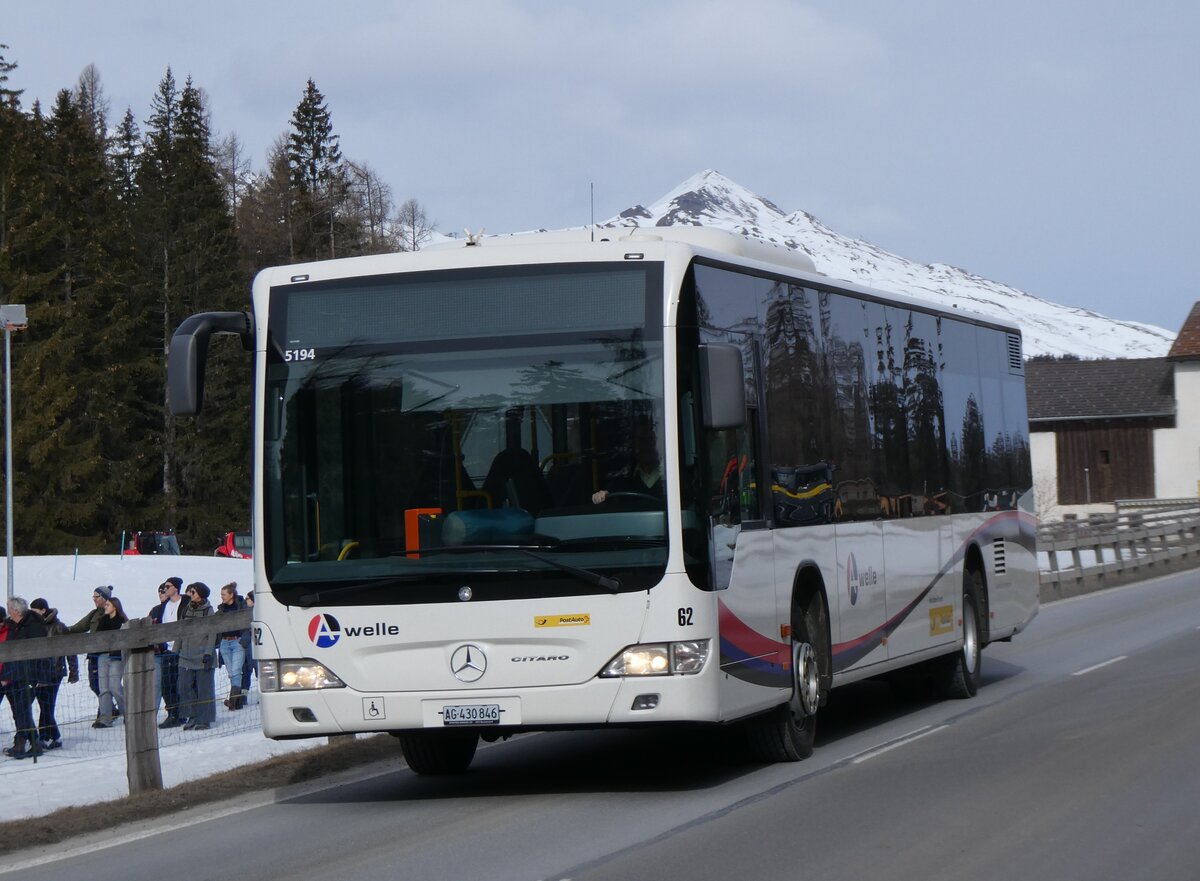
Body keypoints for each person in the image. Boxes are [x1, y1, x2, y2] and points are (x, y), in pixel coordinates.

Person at [2, 597, 51, 759]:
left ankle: (27, 744)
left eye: (10, 609)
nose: (8, 612)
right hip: (14, 676)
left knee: (22, 711)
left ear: (16, 611)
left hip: (28, 676)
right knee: (20, 711)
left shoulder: (34, 626)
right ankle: (31, 744)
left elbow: (40, 653)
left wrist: (39, 677)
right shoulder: (15, 625)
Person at [28, 598, 78, 750]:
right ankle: (51, 736)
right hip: (38, 672)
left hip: (54, 671)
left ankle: (47, 736)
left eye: (35, 611)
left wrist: (73, 671)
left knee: (47, 705)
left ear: (43, 610)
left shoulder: (58, 627)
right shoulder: (34, 626)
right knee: (44, 704)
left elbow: (69, 650)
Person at [591, 417, 665, 504]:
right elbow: (609, 494)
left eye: (649, 440)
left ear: (656, 443)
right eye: (640, 440)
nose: (645, 445)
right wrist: (601, 496)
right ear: (634, 445)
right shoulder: (624, 476)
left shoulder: (670, 474)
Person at [177, 582, 216, 730]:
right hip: (186, 655)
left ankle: (204, 718)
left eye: (193, 592)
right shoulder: (186, 609)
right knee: (184, 686)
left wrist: (208, 653)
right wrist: (176, 650)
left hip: (202, 655)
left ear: (200, 594)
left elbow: (212, 633)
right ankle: (191, 715)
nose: (190, 594)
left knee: (204, 688)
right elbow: (180, 630)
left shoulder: (208, 610)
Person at [68, 586, 114, 708]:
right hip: (94, 655)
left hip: (107, 655)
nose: (94, 599)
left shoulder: (112, 612)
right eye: (93, 597)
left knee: (105, 684)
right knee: (94, 684)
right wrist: (66, 630)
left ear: (104, 598)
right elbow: (80, 626)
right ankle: (110, 708)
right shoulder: (94, 614)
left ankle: (106, 710)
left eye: (96, 597)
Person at [149, 576, 186, 728]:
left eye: (168, 586)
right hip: (166, 650)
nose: (165, 589)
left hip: (182, 649)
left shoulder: (185, 603)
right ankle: (173, 713)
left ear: (176, 588)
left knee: (182, 683)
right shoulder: (163, 607)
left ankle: (184, 712)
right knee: (167, 684)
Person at [93, 596, 128, 728]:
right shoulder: (103, 620)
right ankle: (105, 718)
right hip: (103, 656)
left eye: (107, 605)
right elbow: (97, 637)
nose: (105, 607)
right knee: (104, 689)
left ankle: (128, 714)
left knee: (115, 686)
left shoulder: (123, 621)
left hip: (116, 657)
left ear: (115, 606)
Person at [216, 582, 249, 710]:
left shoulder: (241, 606)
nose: (222, 597)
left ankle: (233, 701)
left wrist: (243, 640)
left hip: (237, 641)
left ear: (231, 595)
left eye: (224, 594)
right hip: (225, 642)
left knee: (236, 671)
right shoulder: (221, 609)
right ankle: (237, 702)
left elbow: (247, 621)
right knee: (231, 673)